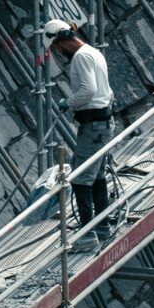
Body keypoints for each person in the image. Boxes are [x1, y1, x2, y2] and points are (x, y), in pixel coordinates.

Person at [47, 18, 113, 223]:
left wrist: (70, 102)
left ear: (61, 40)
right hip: (102, 122)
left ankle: (87, 233)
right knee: (97, 175)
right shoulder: (93, 52)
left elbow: (89, 89)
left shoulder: (81, 57)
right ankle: (102, 223)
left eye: (56, 47)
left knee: (80, 178)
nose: (58, 52)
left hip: (93, 125)